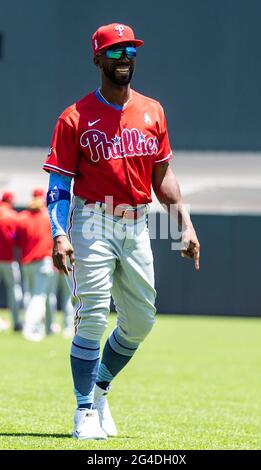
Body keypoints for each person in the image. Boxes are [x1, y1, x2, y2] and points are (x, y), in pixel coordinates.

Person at [43, 22, 200, 440]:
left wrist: (184, 224)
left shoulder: (153, 111)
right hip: (93, 219)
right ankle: (82, 412)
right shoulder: (74, 117)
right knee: (93, 315)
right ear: (97, 59)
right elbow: (58, 186)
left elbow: (162, 178)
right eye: (114, 52)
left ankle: (98, 389)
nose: (124, 59)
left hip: (137, 223)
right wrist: (59, 234)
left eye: (130, 51)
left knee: (141, 322)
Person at [17, 195, 54, 341]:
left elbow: (17, 240)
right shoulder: (47, 217)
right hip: (42, 261)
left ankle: (35, 327)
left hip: (26, 262)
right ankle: (30, 328)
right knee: (39, 297)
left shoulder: (23, 218)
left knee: (30, 295)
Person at [0, 191, 23, 331]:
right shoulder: (13, 216)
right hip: (9, 259)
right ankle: (16, 322)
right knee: (14, 290)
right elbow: (17, 240)